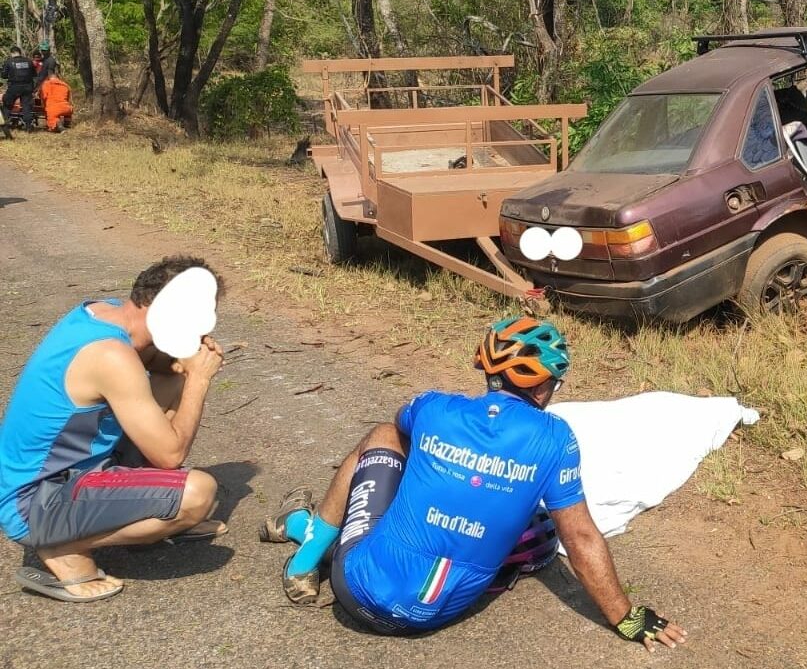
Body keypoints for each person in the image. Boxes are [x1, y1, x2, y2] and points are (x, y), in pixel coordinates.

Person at [262, 316, 688, 647]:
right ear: (542, 389)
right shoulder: (556, 439)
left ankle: (303, 553)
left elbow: (398, 433)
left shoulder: (432, 407)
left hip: (357, 593)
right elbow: (579, 538)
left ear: (487, 370)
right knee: (534, 529)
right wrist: (627, 617)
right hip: (437, 614)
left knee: (382, 436)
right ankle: (300, 535)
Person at [0, 257, 227, 602]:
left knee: (171, 376)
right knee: (196, 495)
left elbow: (153, 362)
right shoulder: (111, 356)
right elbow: (170, 455)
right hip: (34, 502)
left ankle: (143, 512)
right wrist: (199, 377)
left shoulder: (104, 314)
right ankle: (64, 547)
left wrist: (182, 358)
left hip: (57, 477)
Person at [3, 47, 36, 133]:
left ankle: (4, 125)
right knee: (26, 107)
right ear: (19, 52)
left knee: (7, 105)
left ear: (12, 53)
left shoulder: (9, 62)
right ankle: (28, 127)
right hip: (27, 87)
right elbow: (34, 74)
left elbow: (4, 75)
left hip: (14, 87)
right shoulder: (29, 61)